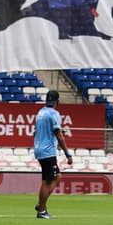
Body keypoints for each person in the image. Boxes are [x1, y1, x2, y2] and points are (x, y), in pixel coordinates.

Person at [34, 89, 72, 218]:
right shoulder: (54, 114)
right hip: (47, 151)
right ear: (58, 101)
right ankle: (41, 210)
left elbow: (36, 132)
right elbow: (59, 134)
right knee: (47, 181)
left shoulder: (40, 113)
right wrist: (67, 154)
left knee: (57, 176)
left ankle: (41, 205)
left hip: (39, 148)